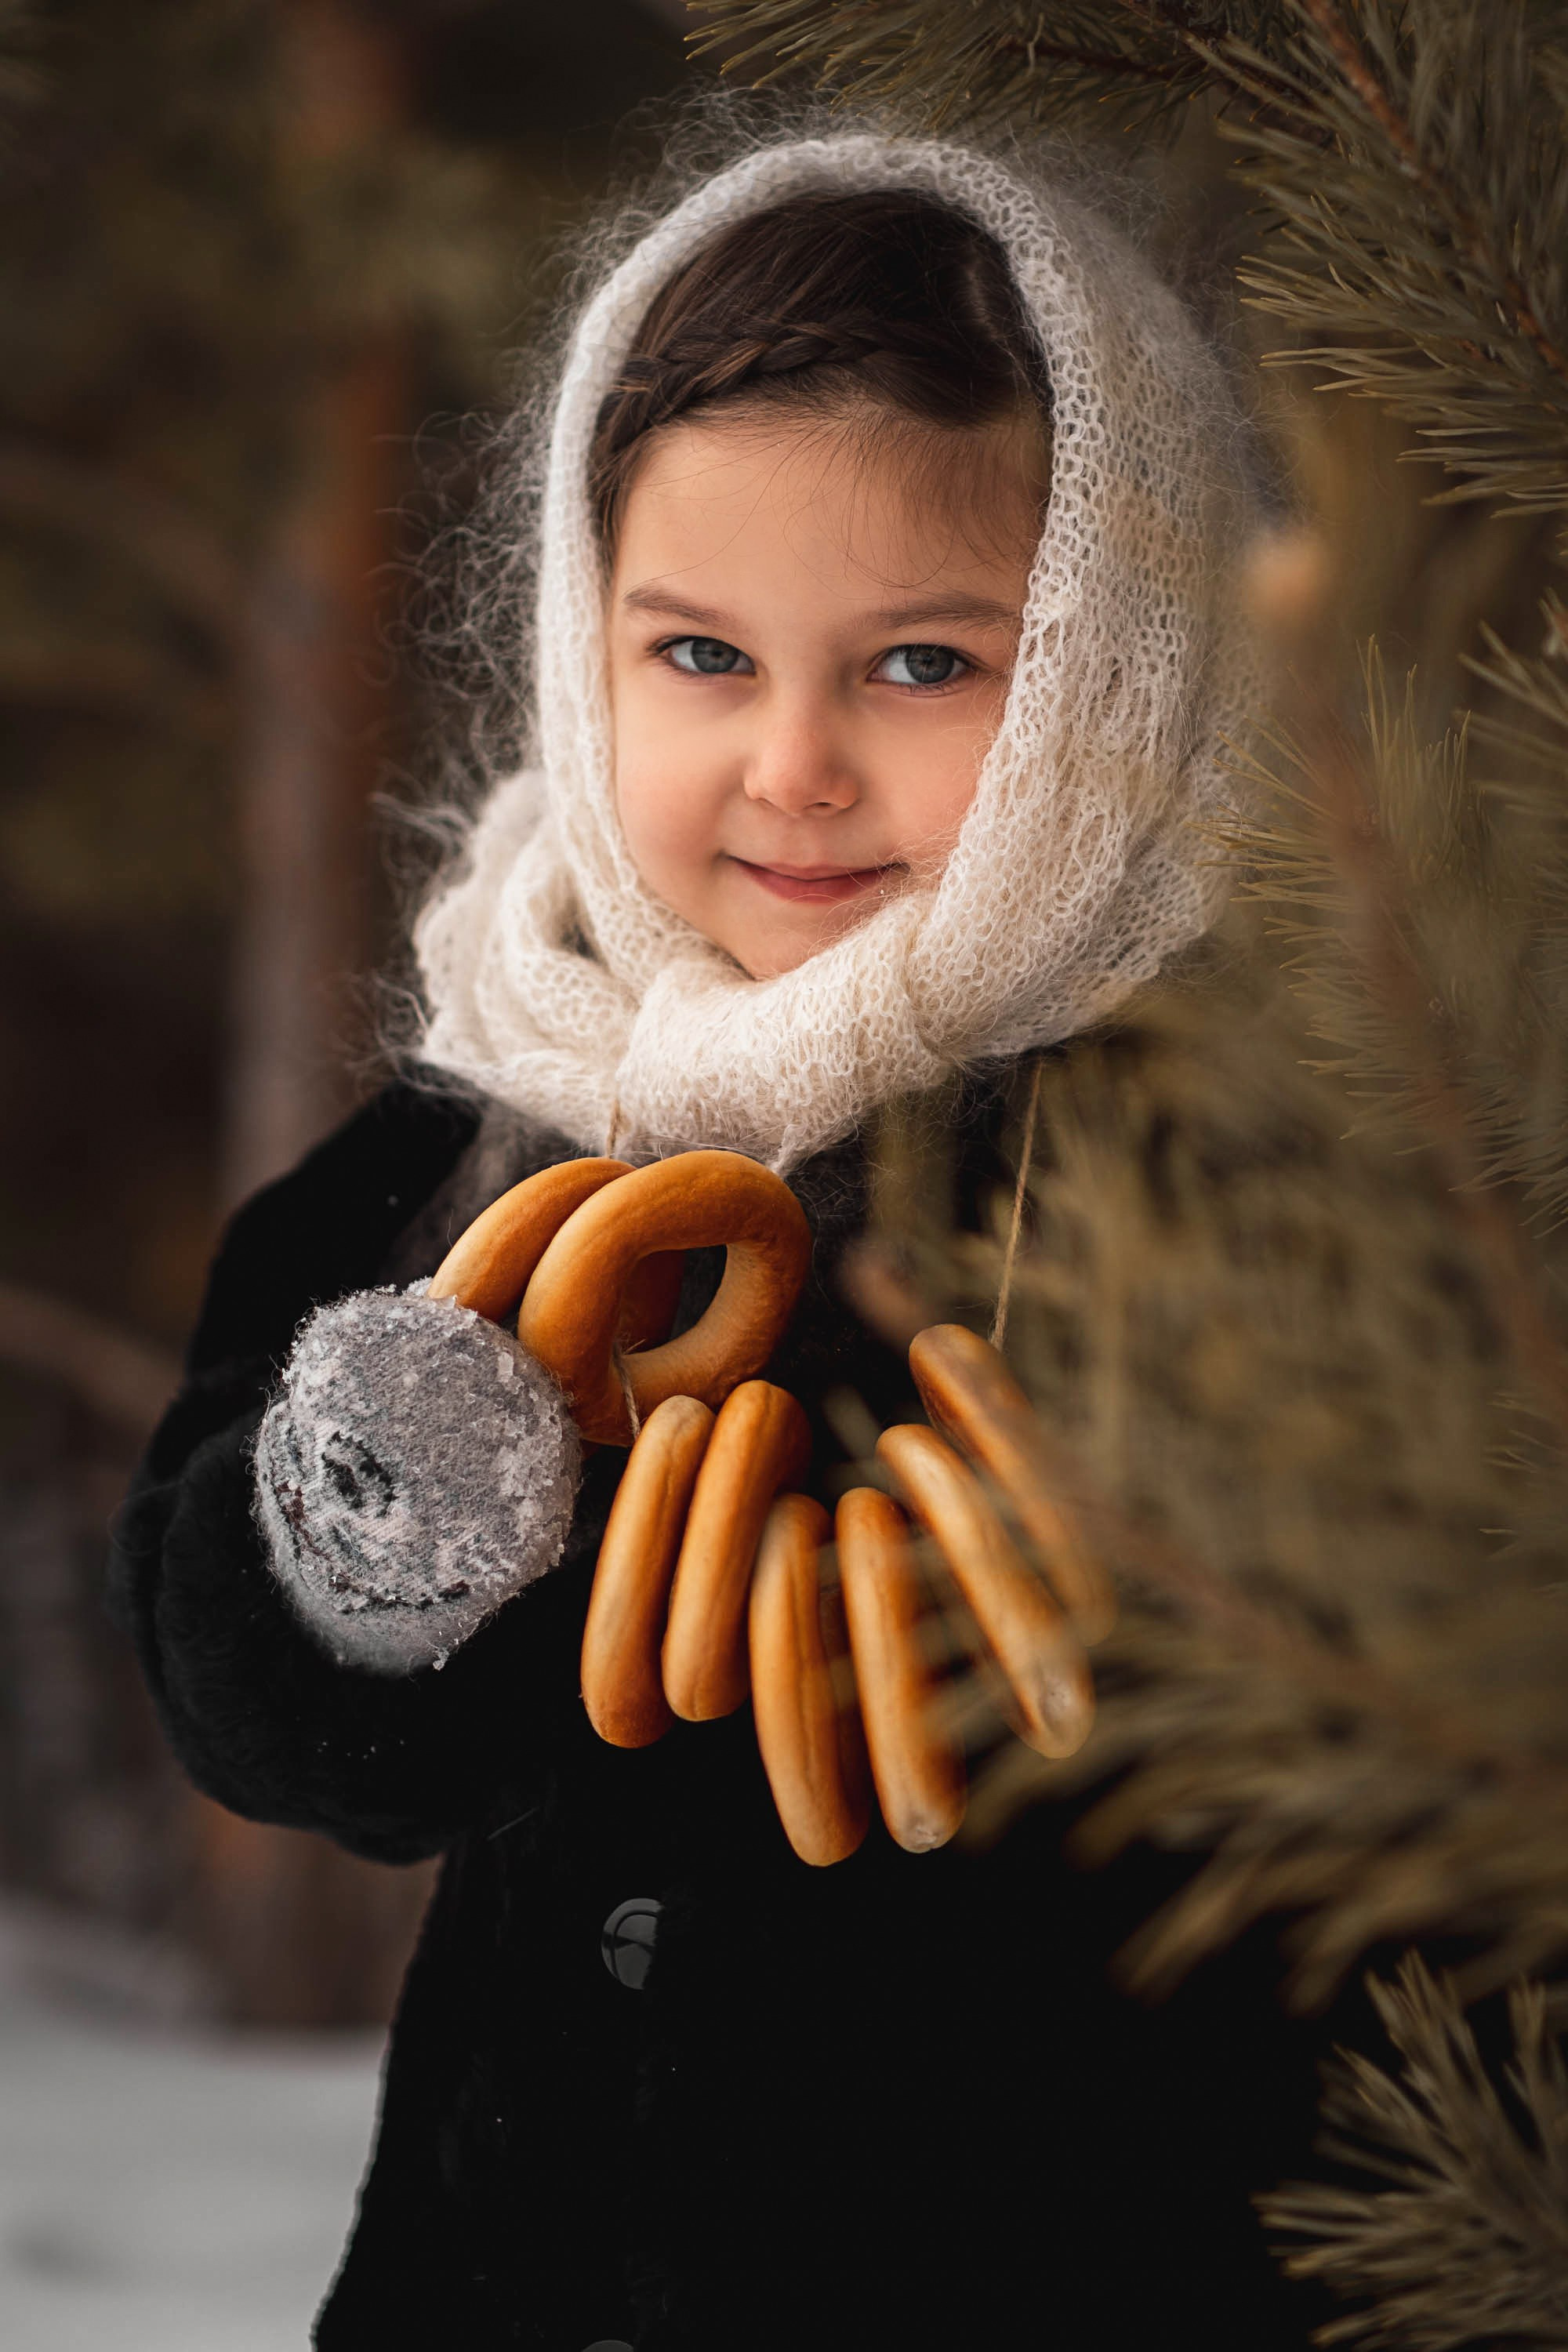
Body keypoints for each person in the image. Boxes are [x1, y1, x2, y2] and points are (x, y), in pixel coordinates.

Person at [112, 127, 1338, 2350]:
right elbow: (260, 1718)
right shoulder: (496, 1125)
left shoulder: (1249, 1169)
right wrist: (378, 1532)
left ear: (1117, 668)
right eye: (699, 652)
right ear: (586, 648)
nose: (791, 763)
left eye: (922, 667)